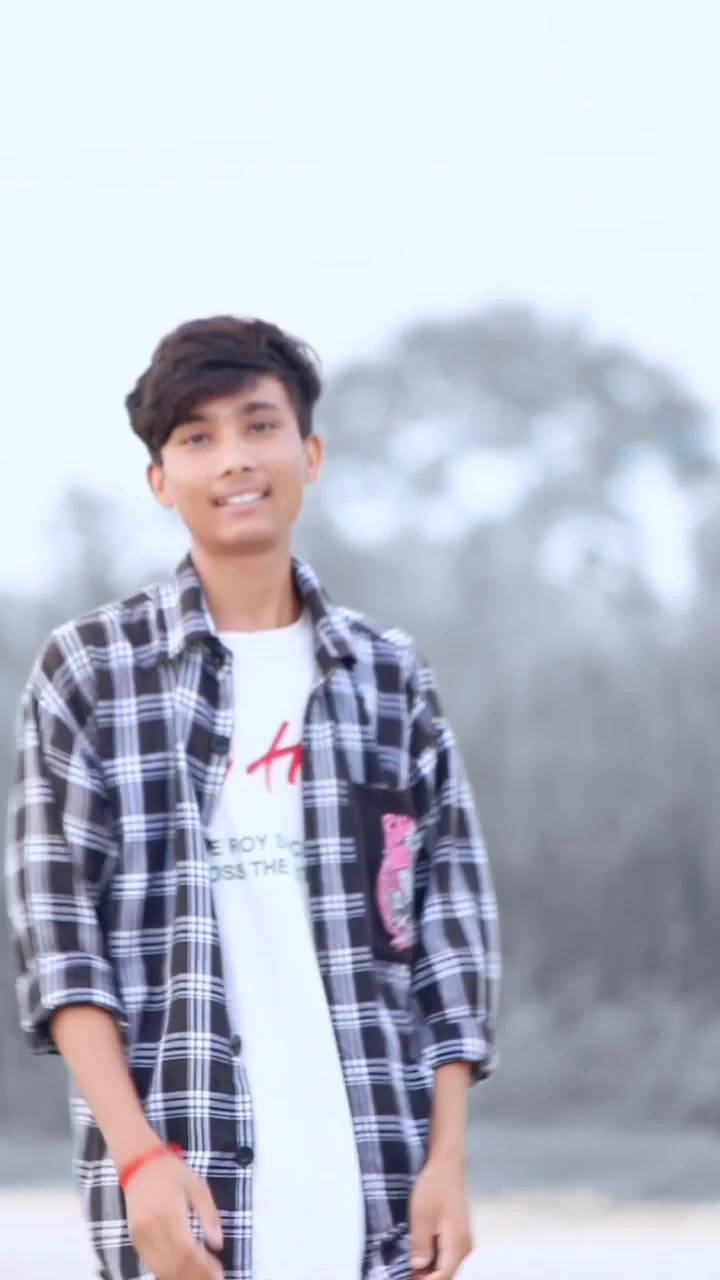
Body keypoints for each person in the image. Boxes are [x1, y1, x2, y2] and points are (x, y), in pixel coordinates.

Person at [5, 316, 500, 1280]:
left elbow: (448, 934)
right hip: (186, 1194)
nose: (234, 458)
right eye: (197, 437)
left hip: (381, 1190)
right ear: (160, 480)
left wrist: (448, 1158)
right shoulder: (91, 671)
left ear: (308, 454)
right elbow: (61, 944)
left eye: (259, 425)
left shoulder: (388, 676)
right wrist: (138, 1158)